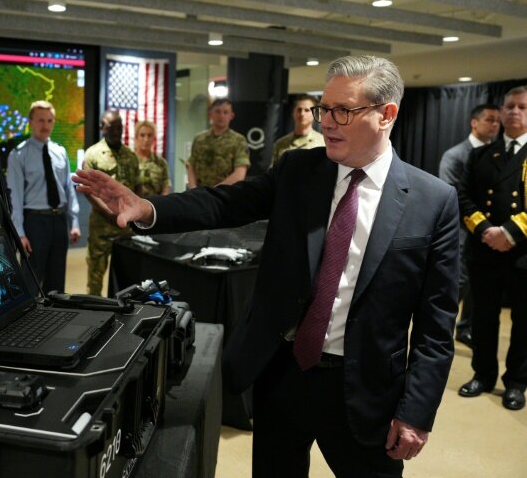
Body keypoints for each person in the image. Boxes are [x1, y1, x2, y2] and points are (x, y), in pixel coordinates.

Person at [74, 55, 459, 477]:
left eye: (342, 111)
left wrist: (417, 411)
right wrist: (147, 207)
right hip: (283, 373)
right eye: (322, 108)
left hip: (365, 390)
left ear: (387, 115)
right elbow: (225, 202)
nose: (326, 121)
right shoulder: (299, 170)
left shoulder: (433, 202)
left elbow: (435, 327)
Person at [458, 86, 527, 411]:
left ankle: (516, 383)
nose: (515, 111)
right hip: (484, 250)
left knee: (524, 323)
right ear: (501, 112)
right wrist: (485, 229)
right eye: (510, 106)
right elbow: (463, 196)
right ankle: (483, 375)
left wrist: (511, 232)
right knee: (483, 318)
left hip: (523, 252)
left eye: (522, 107)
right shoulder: (482, 154)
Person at [438, 104, 501, 347]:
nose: (494, 125)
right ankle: (443, 329)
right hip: (463, 230)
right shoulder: (456, 155)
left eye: (497, 120)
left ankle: (465, 328)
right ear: (474, 123)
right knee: (458, 282)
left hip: (487, 232)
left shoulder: (499, 154)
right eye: (489, 120)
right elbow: (450, 195)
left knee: (477, 283)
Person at [6, 100, 80, 294]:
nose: (45, 125)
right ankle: (30, 322)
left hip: (59, 220)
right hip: (35, 223)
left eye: (49, 120)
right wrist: (20, 233)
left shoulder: (60, 152)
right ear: (30, 122)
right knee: (31, 280)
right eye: (40, 120)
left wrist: (74, 222)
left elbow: (68, 189)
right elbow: (15, 197)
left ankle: (56, 320)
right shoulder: (18, 155)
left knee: (57, 281)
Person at [82, 110, 139, 295]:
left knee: (126, 276)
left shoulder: (131, 156)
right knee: (96, 277)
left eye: (119, 127)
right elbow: (89, 191)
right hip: (102, 226)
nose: (116, 131)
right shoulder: (92, 154)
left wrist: (134, 213)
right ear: (101, 128)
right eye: (110, 127)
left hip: (126, 228)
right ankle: (94, 315)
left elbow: (138, 187)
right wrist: (110, 214)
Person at [187, 98, 249, 188]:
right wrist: (193, 189)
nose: (221, 116)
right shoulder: (199, 139)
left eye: (225, 112)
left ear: (231, 116)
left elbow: (239, 174)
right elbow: (191, 166)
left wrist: (214, 192)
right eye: (217, 111)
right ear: (210, 114)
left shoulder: (239, 140)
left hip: (226, 195)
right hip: (200, 194)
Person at [270, 94, 324, 167]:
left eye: (307, 110)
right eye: (299, 110)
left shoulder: (323, 142)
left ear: (314, 113)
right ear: (293, 112)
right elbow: (273, 172)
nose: (302, 114)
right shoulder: (281, 144)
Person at [133, 120, 170, 196]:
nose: (146, 140)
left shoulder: (161, 163)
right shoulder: (129, 160)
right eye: (142, 135)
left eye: (149, 136)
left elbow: (166, 187)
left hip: (155, 204)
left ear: (154, 139)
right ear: (136, 138)